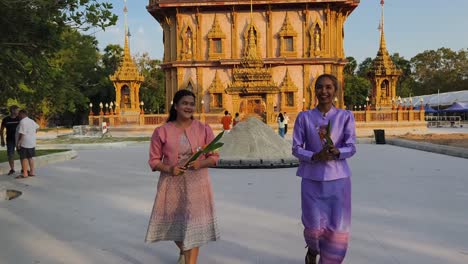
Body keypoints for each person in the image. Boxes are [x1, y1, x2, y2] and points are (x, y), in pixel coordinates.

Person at [146, 89, 220, 264]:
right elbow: (154, 161)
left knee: (192, 227)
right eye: (184, 103)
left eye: (191, 104)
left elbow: (215, 157)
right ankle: (183, 252)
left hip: (197, 184)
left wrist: (200, 163)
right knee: (173, 225)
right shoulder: (161, 131)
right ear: (176, 106)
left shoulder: (204, 129)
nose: (189, 107)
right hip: (171, 184)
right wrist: (170, 169)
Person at [292, 74, 356, 264]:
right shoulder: (304, 117)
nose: (324, 91)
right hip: (312, 179)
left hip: (338, 181)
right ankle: (313, 250)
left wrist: (338, 151)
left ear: (335, 91)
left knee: (337, 227)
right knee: (312, 226)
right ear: (315, 90)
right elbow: (296, 148)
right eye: (319, 87)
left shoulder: (345, 116)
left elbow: (352, 146)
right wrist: (314, 156)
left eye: (329, 87)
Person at [15, 109, 40, 179]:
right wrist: (32, 134)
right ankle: (32, 172)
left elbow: (22, 133)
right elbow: (38, 128)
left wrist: (19, 143)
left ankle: (25, 173)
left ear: (22, 114)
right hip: (32, 142)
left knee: (23, 158)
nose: (18, 115)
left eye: (19, 114)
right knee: (30, 158)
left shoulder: (22, 122)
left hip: (24, 143)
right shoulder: (31, 121)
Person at [1, 105, 20, 175]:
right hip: (9, 140)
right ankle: (12, 169)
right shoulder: (5, 119)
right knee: (10, 155)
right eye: (17, 110)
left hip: (18, 139)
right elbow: (1, 130)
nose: (18, 112)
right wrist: (2, 140)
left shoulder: (19, 118)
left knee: (22, 154)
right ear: (13, 111)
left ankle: (24, 168)